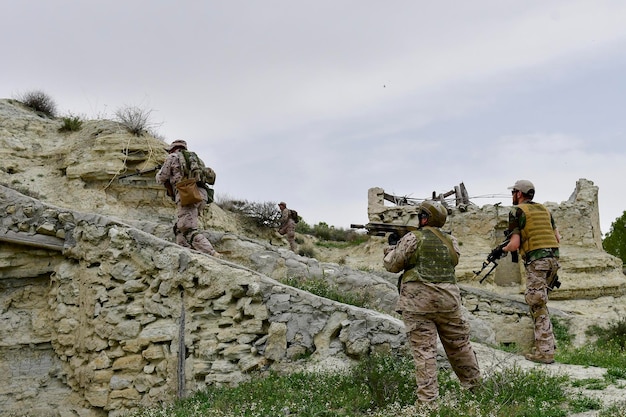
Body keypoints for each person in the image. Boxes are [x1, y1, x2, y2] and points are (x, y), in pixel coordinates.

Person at [383, 201, 481, 404]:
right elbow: (453, 262)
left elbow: (393, 266)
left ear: (424, 217)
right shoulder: (451, 241)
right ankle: (476, 390)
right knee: (460, 346)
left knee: (424, 352)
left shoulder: (412, 238)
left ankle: (428, 403)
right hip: (449, 301)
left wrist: (389, 252)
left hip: (418, 303)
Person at [501, 180, 560, 364]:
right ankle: (547, 345)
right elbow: (558, 237)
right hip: (553, 260)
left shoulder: (516, 211)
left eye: (513, 192)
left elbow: (515, 244)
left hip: (537, 261)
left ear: (519, 194)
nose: (512, 195)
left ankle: (545, 352)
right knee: (541, 303)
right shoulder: (545, 210)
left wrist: (502, 250)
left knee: (536, 304)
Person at [156, 140, 222, 258]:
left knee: (187, 228)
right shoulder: (196, 159)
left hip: (187, 195)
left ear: (172, 149)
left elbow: (161, 177)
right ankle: (184, 250)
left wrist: (159, 171)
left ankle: (212, 253)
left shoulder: (172, 157)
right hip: (201, 196)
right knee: (179, 227)